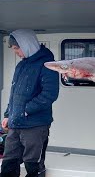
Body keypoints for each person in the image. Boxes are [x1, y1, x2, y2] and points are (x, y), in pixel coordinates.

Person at [1, 29, 59, 177]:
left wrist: (25, 110)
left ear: (26, 44)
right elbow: (14, 94)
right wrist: (8, 114)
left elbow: (49, 94)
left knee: (32, 163)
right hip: (16, 122)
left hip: (35, 125)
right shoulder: (21, 65)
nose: (15, 52)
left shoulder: (47, 64)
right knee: (9, 160)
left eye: (16, 48)